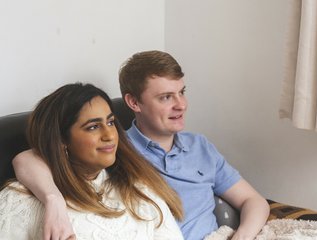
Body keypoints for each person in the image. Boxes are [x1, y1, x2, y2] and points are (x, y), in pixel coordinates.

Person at [13, 51, 270, 240]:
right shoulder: (116, 150)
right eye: (166, 97)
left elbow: (254, 201)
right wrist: (52, 199)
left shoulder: (199, 146)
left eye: (182, 92)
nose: (181, 105)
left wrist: (242, 237)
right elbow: (26, 158)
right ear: (134, 103)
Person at [0, 83, 184, 240]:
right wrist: (53, 200)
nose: (109, 135)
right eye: (93, 127)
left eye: (111, 122)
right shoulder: (21, 201)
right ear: (62, 140)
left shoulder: (140, 189)